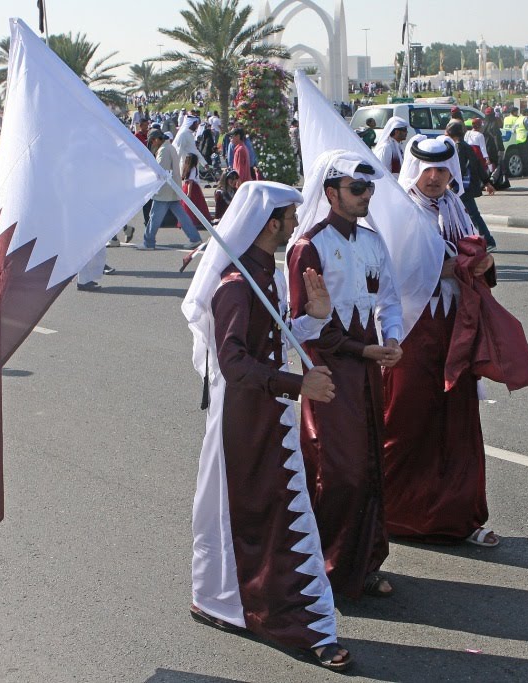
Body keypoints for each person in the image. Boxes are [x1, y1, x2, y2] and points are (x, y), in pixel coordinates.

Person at [182, 180, 351, 671]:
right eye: (289, 216)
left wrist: (313, 320)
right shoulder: (235, 286)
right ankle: (302, 625)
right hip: (248, 423)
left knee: (262, 516)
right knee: (280, 519)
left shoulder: (264, 276)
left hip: (268, 415)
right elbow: (235, 364)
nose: (296, 223)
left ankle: (223, 601)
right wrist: (299, 387)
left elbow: (270, 342)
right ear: (269, 224)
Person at [288, 151, 404, 599]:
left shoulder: (374, 242)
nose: (366, 196)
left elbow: (388, 300)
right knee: (338, 470)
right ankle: (326, 567)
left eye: (369, 188)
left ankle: (365, 563)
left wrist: (393, 339)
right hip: (329, 374)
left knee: (372, 462)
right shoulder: (308, 247)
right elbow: (305, 324)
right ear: (331, 193)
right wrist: (362, 349)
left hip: (368, 369)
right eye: (357, 189)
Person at [382, 135, 500, 548]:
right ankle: (395, 511)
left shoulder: (455, 207)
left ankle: (456, 515)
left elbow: (472, 257)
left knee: (457, 419)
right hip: (414, 327)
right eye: (427, 169)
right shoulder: (400, 209)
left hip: (454, 323)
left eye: (442, 169)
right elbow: (394, 272)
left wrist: (481, 265)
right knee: (407, 415)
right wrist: (451, 268)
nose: (434, 178)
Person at [140, 130, 200, 250]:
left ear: (157, 139)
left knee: (154, 217)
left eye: (152, 141)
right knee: (182, 216)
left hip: (164, 189)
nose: (152, 144)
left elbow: (161, 171)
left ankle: (148, 243)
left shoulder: (163, 150)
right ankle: (195, 238)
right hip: (173, 187)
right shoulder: (170, 147)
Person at [446, 121, 496, 249]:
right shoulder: (466, 146)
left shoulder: (458, 147)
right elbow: (478, 165)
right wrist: (486, 182)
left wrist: (450, 182)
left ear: (451, 133)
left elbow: (460, 169)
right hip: (465, 187)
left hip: (461, 188)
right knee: (465, 215)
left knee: (472, 214)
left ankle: (488, 241)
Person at [180, 152, 213, 232]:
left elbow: (186, 180)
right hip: (193, 188)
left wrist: (187, 192)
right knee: (197, 204)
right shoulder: (193, 168)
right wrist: (189, 192)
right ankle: (196, 221)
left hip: (187, 187)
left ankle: (187, 222)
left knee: (187, 206)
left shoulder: (186, 168)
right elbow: (191, 181)